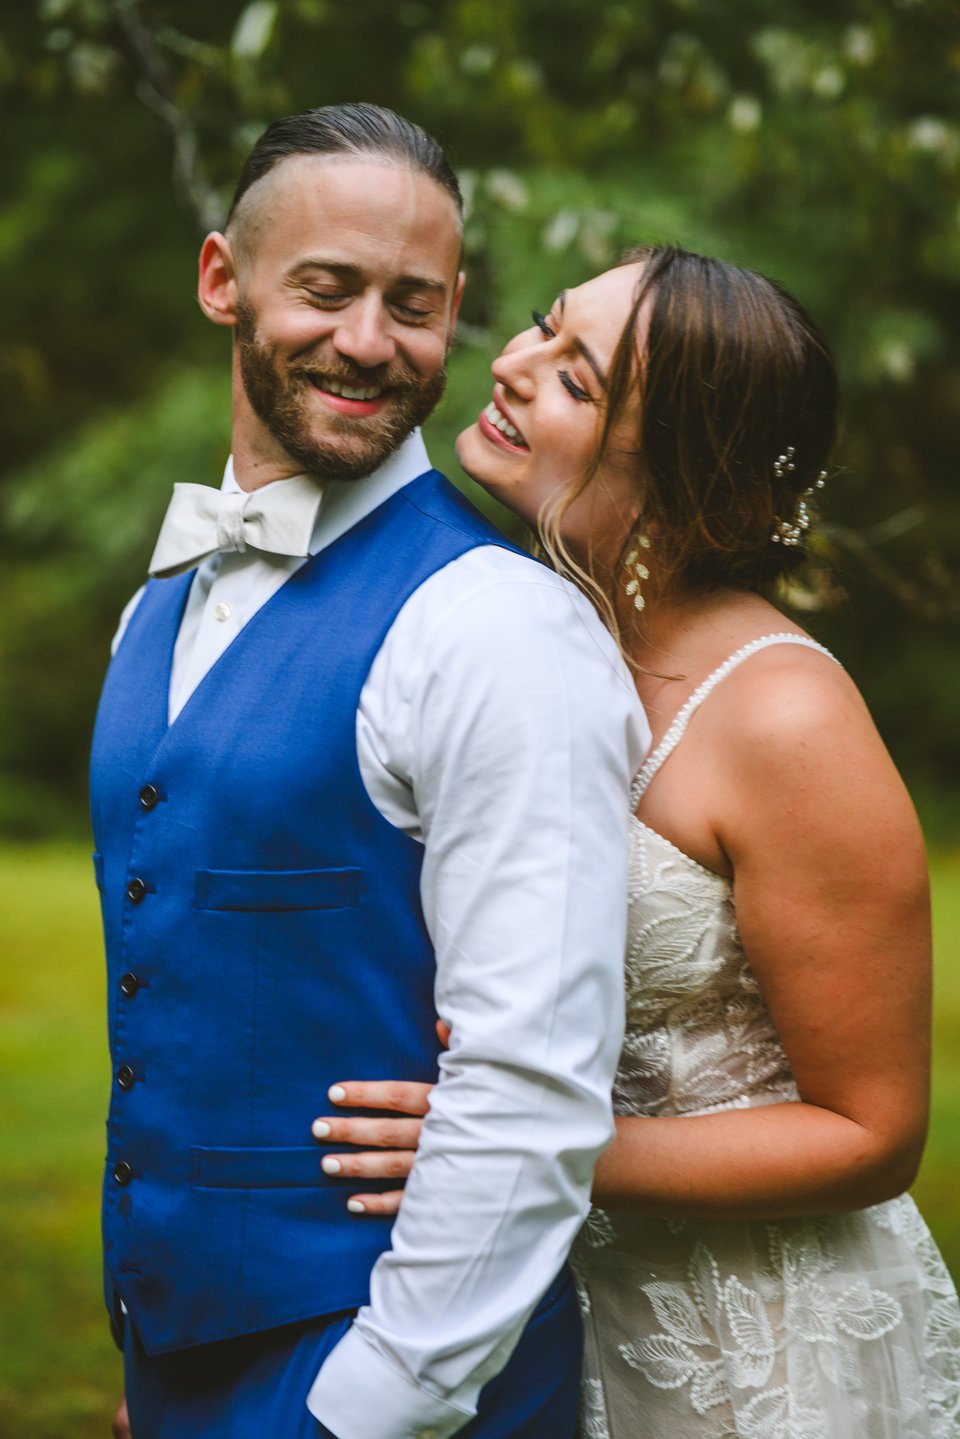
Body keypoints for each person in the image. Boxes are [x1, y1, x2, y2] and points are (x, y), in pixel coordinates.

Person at [316, 246, 960, 1437]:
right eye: (542, 326)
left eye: (578, 380)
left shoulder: (783, 718)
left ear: (684, 476)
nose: (511, 366)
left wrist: (521, 1148)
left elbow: (872, 1133)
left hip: (753, 1348)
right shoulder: (499, 635)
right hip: (536, 1313)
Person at [89, 104, 649, 1439]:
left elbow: (530, 1083)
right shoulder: (156, 604)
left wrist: (367, 1403)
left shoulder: (496, 625)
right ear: (223, 280)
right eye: (326, 288)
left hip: (393, 1381)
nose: (367, 341)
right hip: (181, 1362)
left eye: (413, 303)